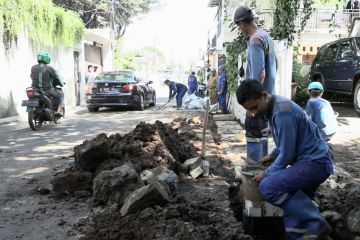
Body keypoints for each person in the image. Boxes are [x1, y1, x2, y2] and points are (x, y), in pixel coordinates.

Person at [236, 80, 333, 240]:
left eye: (254, 107)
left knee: (268, 187)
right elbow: (287, 142)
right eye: (249, 110)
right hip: (312, 162)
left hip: (315, 163)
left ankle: (316, 224)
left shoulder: (282, 112)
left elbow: (288, 153)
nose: (253, 112)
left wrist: (267, 173)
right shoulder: (276, 106)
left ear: (264, 95)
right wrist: (273, 155)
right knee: (292, 203)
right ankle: (300, 235)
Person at [234, 5, 277, 163]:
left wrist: (252, 106)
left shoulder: (255, 40)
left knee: (254, 135)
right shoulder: (265, 36)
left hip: (257, 99)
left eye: (239, 26)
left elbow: (259, 74)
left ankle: (253, 168)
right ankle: (263, 164)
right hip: (267, 95)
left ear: (242, 24)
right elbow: (273, 66)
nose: (240, 29)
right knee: (263, 135)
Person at [30, 51, 65, 116]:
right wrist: (60, 83)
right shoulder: (49, 68)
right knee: (61, 94)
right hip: (47, 90)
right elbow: (56, 78)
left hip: (34, 89)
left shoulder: (33, 67)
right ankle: (59, 111)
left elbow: (31, 76)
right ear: (47, 59)